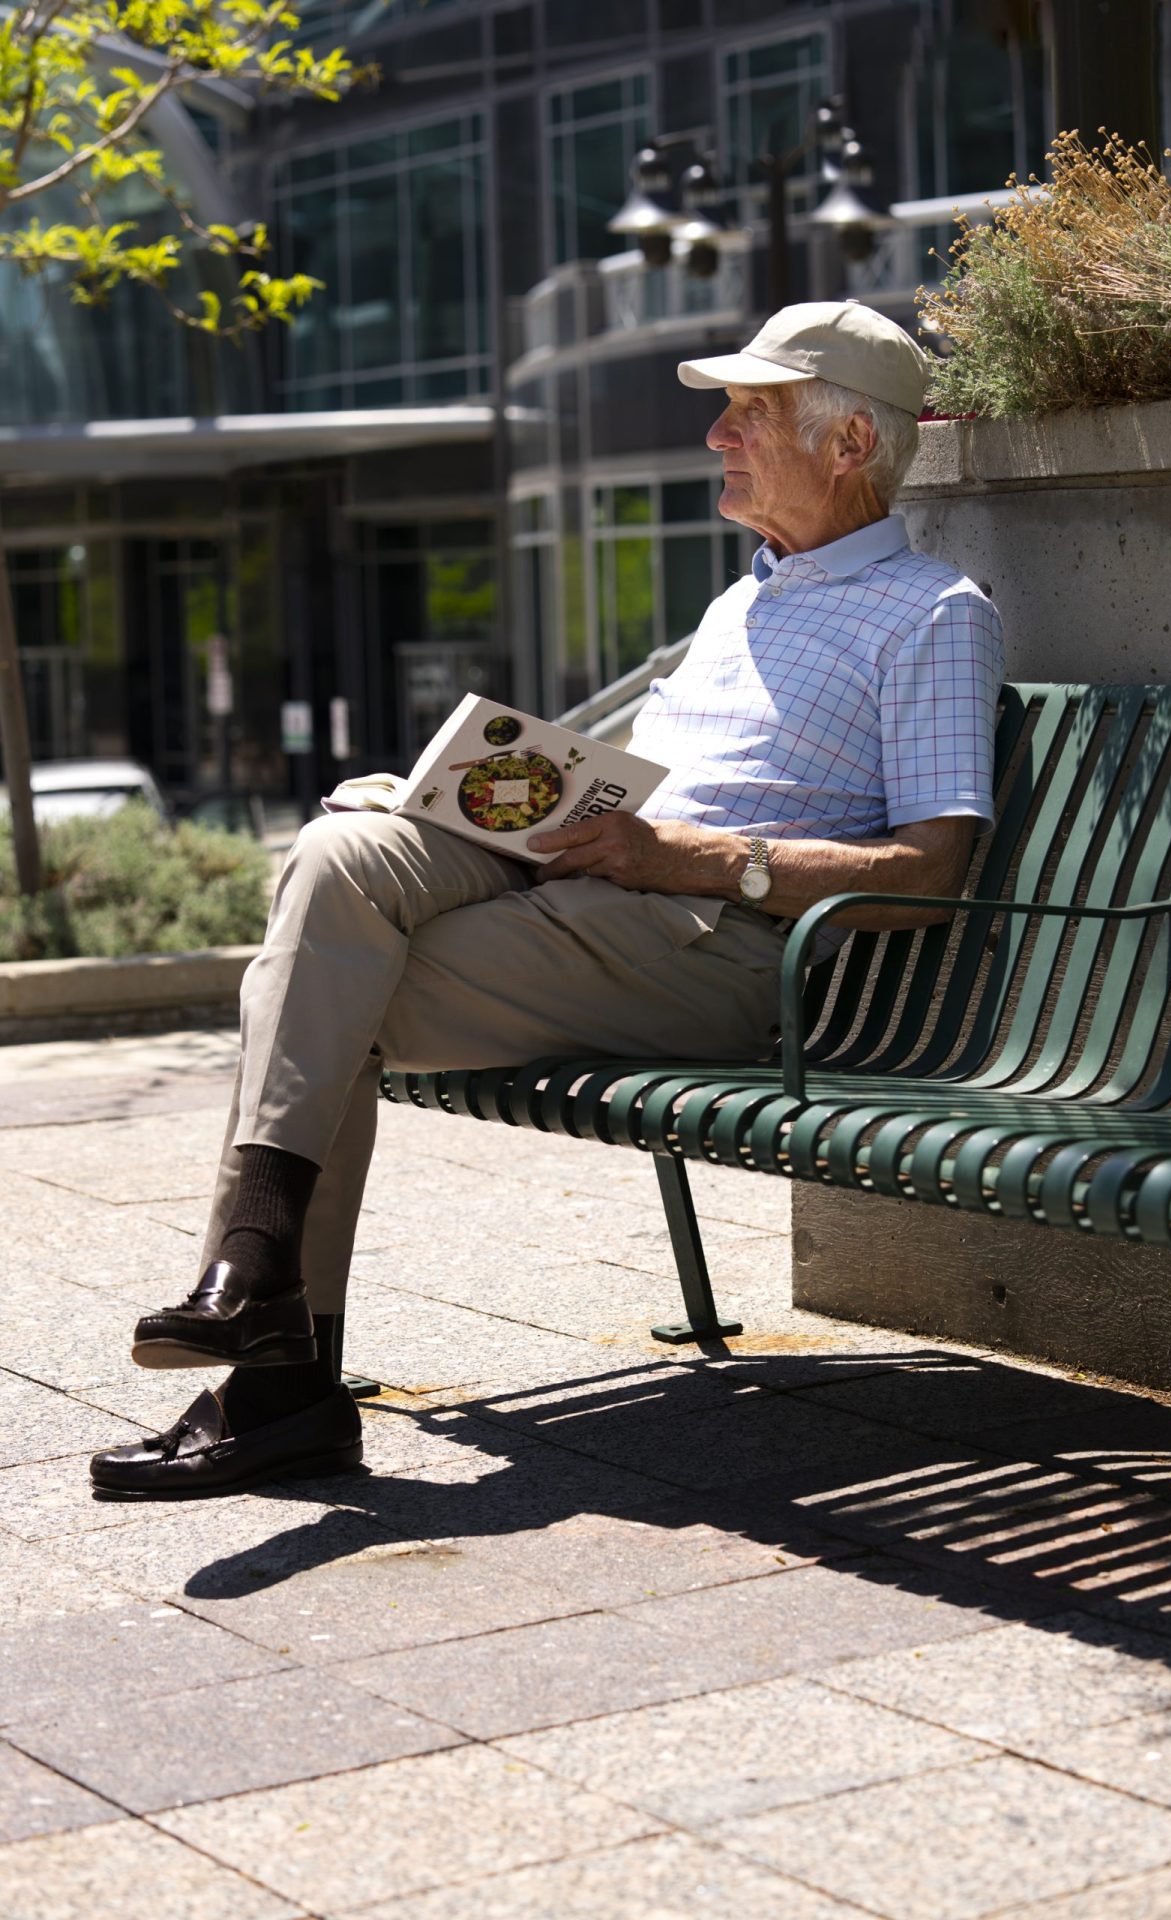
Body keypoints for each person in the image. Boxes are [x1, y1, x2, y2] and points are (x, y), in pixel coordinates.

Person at [89, 300, 1004, 1499]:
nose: (718, 439)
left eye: (749, 415)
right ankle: (256, 1294)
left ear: (849, 446)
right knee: (337, 854)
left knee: (315, 996)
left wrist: (694, 858)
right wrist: (452, 802)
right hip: (594, 881)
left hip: (710, 942)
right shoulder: (744, 600)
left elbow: (930, 876)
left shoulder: (933, 614)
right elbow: (634, 789)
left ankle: (273, 1365)